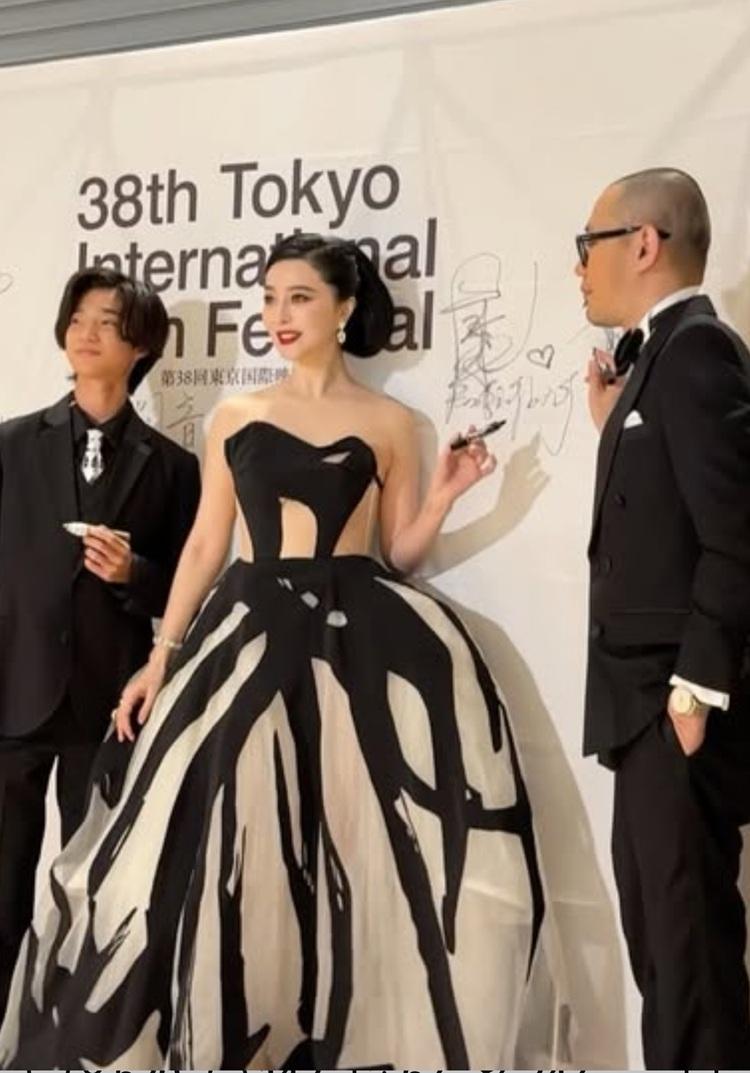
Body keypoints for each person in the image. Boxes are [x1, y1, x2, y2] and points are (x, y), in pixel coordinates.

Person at [0, 235, 549, 1069]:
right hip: (250, 636)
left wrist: (447, 495)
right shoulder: (237, 416)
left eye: (298, 297)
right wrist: (162, 657)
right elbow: (204, 547)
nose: (278, 315)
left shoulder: (391, 423)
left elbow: (399, 552)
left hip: (350, 644)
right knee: (228, 844)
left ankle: (333, 1036)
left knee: (351, 852)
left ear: (344, 308)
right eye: (267, 298)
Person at [579, 167, 750, 1067]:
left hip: (673, 703)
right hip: (640, 704)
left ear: (643, 243)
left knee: (690, 960)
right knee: (663, 948)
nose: (579, 266)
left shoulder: (697, 350)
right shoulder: (659, 359)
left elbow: (738, 531)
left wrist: (696, 690)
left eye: (589, 243)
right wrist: (614, 423)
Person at [0, 267, 201, 1018]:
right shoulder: (11, 445)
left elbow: (185, 591)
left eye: (108, 322)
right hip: (12, 692)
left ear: (141, 344)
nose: (86, 333)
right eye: (78, 318)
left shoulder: (174, 468)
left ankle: (66, 1030)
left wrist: (133, 572)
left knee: (89, 883)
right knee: (2, 884)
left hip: (106, 703)